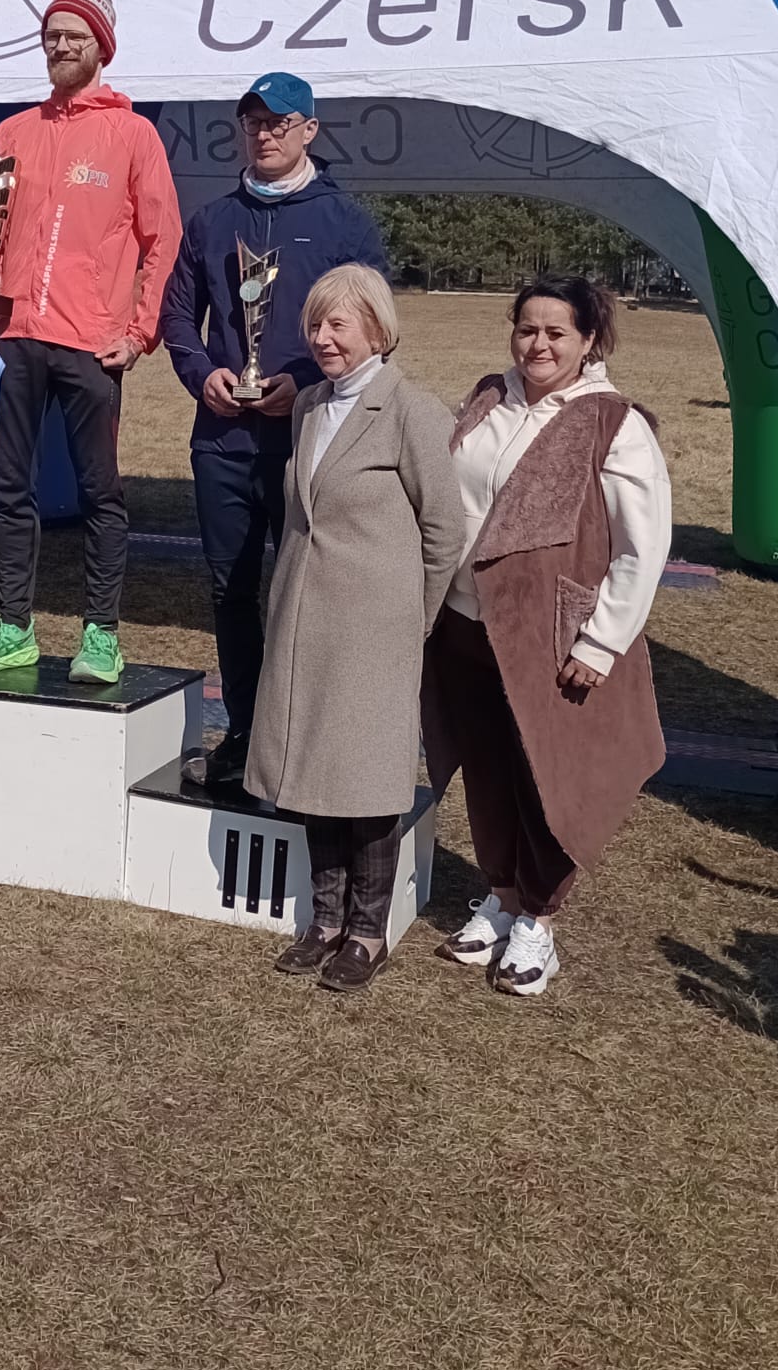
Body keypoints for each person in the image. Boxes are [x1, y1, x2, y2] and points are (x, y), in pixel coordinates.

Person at [422, 274, 672, 997]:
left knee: (545, 776)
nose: (538, 345)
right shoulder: (487, 399)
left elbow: (642, 547)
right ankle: (501, 896)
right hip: (465, 624)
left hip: (551, 638)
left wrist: (601, 643)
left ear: (588, 340)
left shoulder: (613, 422)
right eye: (527, 329)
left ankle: (538, 918)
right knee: (486, 767)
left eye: (556, 332)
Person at [159, 71, 388, 792]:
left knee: (306, 594)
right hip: (223, 441)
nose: (265, 134)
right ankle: (245, 732)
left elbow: (378, 326)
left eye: (279, 122)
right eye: (254, 122)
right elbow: (176, 316)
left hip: (308, 440)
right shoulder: (212, 220)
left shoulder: (344, 221)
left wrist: (307, 383)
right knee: (230, 592)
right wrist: (204, 374)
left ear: (309, 130)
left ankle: (305, 738)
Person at [0, 0, 182, 685]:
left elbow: (162, 239)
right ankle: (13, 627)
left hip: (90, 341)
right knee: (8, 486)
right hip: (17, 332)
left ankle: (102, 634)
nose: (59, 46)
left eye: (73, 36)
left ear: (101, 47)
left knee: (99, 492)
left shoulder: (132, 135)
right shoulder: (12, 132)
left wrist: (139, 333)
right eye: (50, 35)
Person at [247, 265, 465, 994]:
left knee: (367, 780)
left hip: (376, 627)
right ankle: (325, 921)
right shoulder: (309, 405)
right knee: (313, 765)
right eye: (315, 323)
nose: (323, 337)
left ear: (377, 328)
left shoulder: (412, 411)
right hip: (304, 620)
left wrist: (413, 617)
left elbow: (444, 530)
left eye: (338, 324)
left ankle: (368, 933)